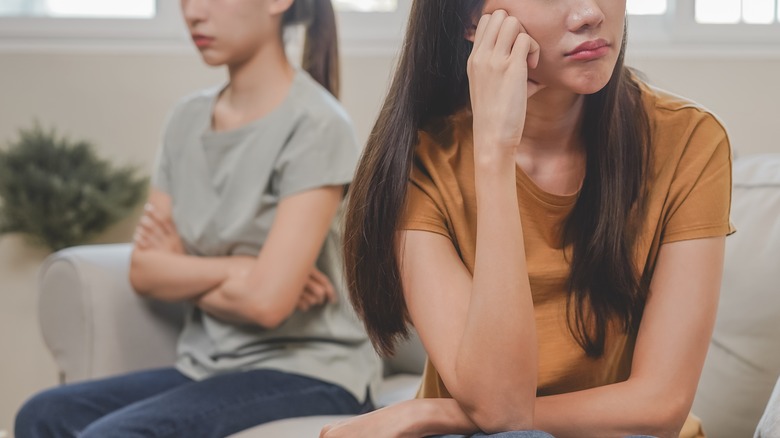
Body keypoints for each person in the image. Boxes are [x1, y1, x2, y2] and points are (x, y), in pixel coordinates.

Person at [327, 0, 734, 437]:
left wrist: (434, 413)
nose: (589, 14)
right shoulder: (420, 163)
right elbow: (499, 403)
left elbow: (660, 404)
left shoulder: (690, 141)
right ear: (470, 20)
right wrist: (495, 153)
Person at [15, 0, 380, 436]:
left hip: (311, 369)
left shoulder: (318, 124)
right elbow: (145, 271)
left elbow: (266, 304)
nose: (193, 13)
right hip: (209, 365)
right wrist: (241, 269)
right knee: (42, 414)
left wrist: (184, 269)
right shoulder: (185, 120)